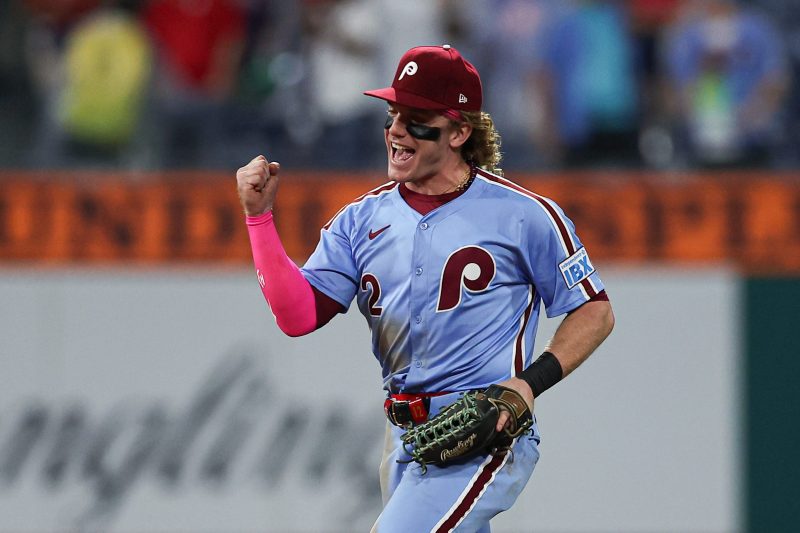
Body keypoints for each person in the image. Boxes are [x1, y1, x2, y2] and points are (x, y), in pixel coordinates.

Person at [235, 45, 615, 532]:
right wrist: (259, 219)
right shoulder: (360, 220)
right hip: (405, 439)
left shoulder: (524, 215)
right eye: (393, 116)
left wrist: (529, 382)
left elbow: (595, 311)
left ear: (459, 132)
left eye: (417, 121)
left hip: (487, 430)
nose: (397, 131)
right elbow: (298, 315)